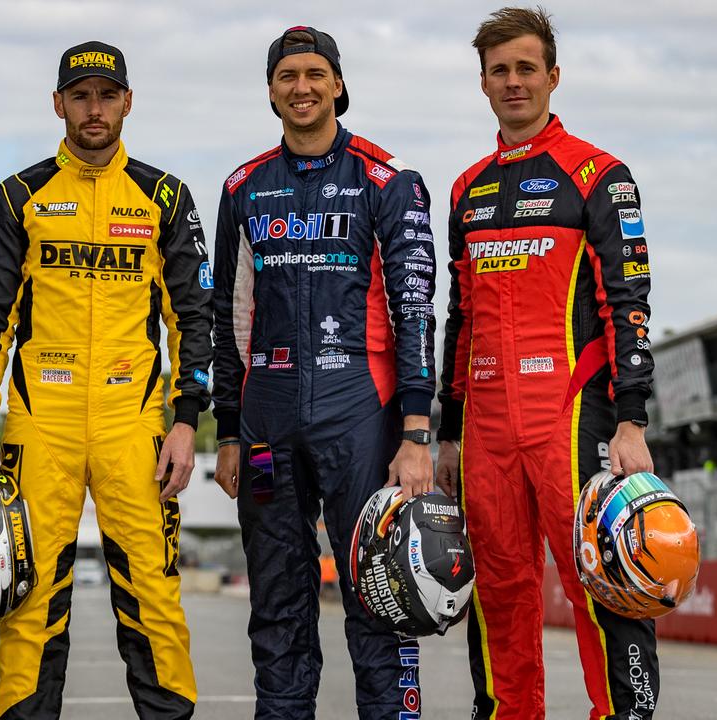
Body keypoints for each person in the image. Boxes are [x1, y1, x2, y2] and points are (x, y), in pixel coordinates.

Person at [0, 41, 210, 719]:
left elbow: (194, 318)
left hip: (135, 426)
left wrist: (187, 420)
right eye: (80, 95)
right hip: (43, 425)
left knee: (154, 595)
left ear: (128, 101)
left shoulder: (164, 195)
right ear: (58, 104)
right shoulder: (20, 195)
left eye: (106, 95)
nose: (93, 109)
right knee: (29, 598)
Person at [435, 7, 658, 719]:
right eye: (499, 71)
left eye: (526, 68)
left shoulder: (599, 174)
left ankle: (626, 712)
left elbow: (629, 301)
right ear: (482, 83)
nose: (513, 83)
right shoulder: (467, 188)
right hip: (486, 425)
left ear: (553, 76)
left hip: (571, 412)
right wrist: (449, 429)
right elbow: (459, 317)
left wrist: (632, 420)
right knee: (499, 586)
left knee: (603, 573)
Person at [211, 26, 437, 719]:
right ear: (271, 90)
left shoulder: (387, 179)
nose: (301, 87)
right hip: (265, 425)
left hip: (361, 419)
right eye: (287, 76)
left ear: (337, 83)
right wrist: (226, 430)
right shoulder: (243, 186)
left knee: (381, 595)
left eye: (315, 74)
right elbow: (227, 314)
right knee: (276, 605)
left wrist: (417, 431)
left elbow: (416, 305)